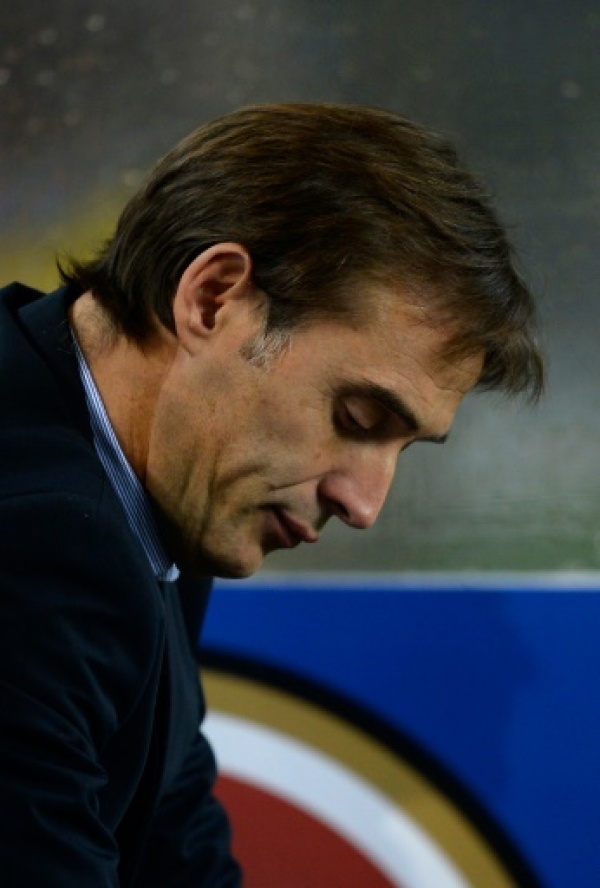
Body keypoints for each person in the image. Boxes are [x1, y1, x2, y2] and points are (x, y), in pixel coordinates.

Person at [0, 103, 543, 886]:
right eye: (356, 418)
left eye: (404, 448)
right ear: (213, 298)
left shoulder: (153, 490)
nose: (365, 502)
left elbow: (177, 849)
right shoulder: (43, 535)